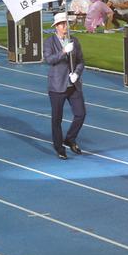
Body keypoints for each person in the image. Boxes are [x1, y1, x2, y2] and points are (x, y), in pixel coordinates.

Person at [44, 12, 86, 160]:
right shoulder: (49, 42)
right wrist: (63, 51)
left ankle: (70, 138)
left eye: (66, 23)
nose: (65, 26)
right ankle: (59, 147)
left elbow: (81, 61)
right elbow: (49, 60)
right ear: (56, 27)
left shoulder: (74, 40)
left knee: (80, 114)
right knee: (57, 118)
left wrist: (77, 73)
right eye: (62, 24)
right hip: (57, 86)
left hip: (73, 84)